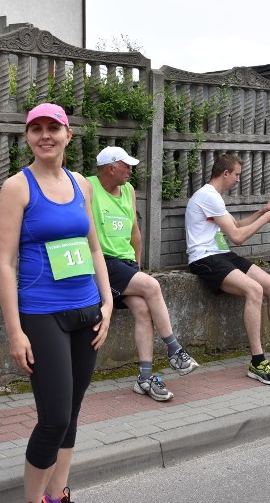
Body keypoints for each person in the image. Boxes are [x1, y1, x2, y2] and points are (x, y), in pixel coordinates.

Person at [0, 103, 113, 503]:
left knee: (73, 412)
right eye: (36, 128)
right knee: (55, 418)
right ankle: (32, 500)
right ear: (27, 136)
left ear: (68, 135)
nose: (45, 135)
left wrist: (108, 300)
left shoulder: (82, 183)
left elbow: (93, 248)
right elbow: (5, 265)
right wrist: (14, 330)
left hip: (86, 310)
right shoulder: (18, 187)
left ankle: (58, 492)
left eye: (53, 128)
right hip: (42, 315)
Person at [185, 153, 270, 385]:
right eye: (237, 175)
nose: (238, 179)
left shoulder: (213, 196)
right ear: (225, 174)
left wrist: (262, 212)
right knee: (255, 290)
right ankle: (257, 361)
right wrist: (265, 220)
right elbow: (238, 237)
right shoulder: (207, 196)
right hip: (204, 258)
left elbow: (235, 225)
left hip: (220, 254)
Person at [87, 146, 200, 402]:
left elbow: (135, 231)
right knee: (152, 286)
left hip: (125, 264)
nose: (130, 170)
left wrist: (136, 266)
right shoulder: (89, 186)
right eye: (126, 165)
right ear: (110, 167)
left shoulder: (128, 190)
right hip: (103, 262)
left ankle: (145, 378)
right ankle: (174, 350)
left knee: (143, 310)